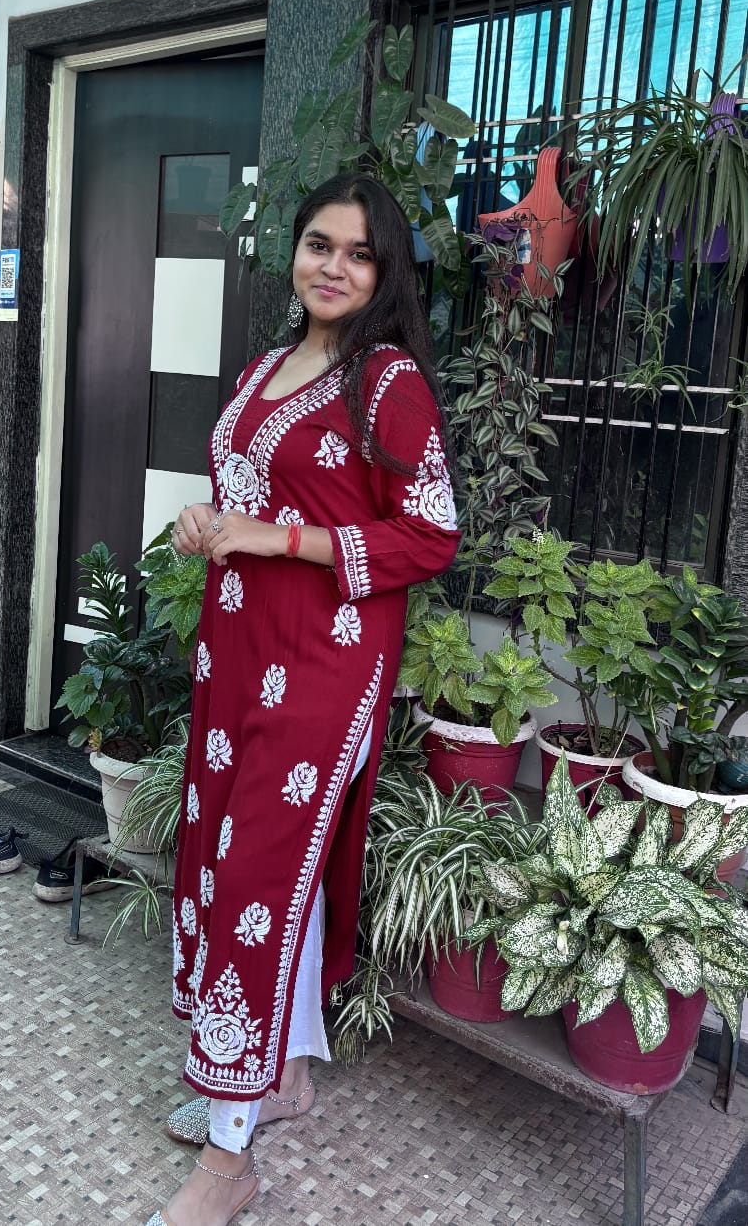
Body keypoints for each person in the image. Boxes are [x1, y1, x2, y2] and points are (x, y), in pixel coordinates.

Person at [146, 173, 461, 1226]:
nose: (331, 264)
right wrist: (209, 524)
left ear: (385, 274)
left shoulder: (387, 383)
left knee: (258, 875)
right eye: (317, 243)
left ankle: (231, 1165)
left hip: (323, 665)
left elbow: (430, 534)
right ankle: (275, 1081)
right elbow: (251, 497)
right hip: (235, 657)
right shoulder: (264, 368)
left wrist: (273, 538)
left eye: (357, 253)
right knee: (219, 860)